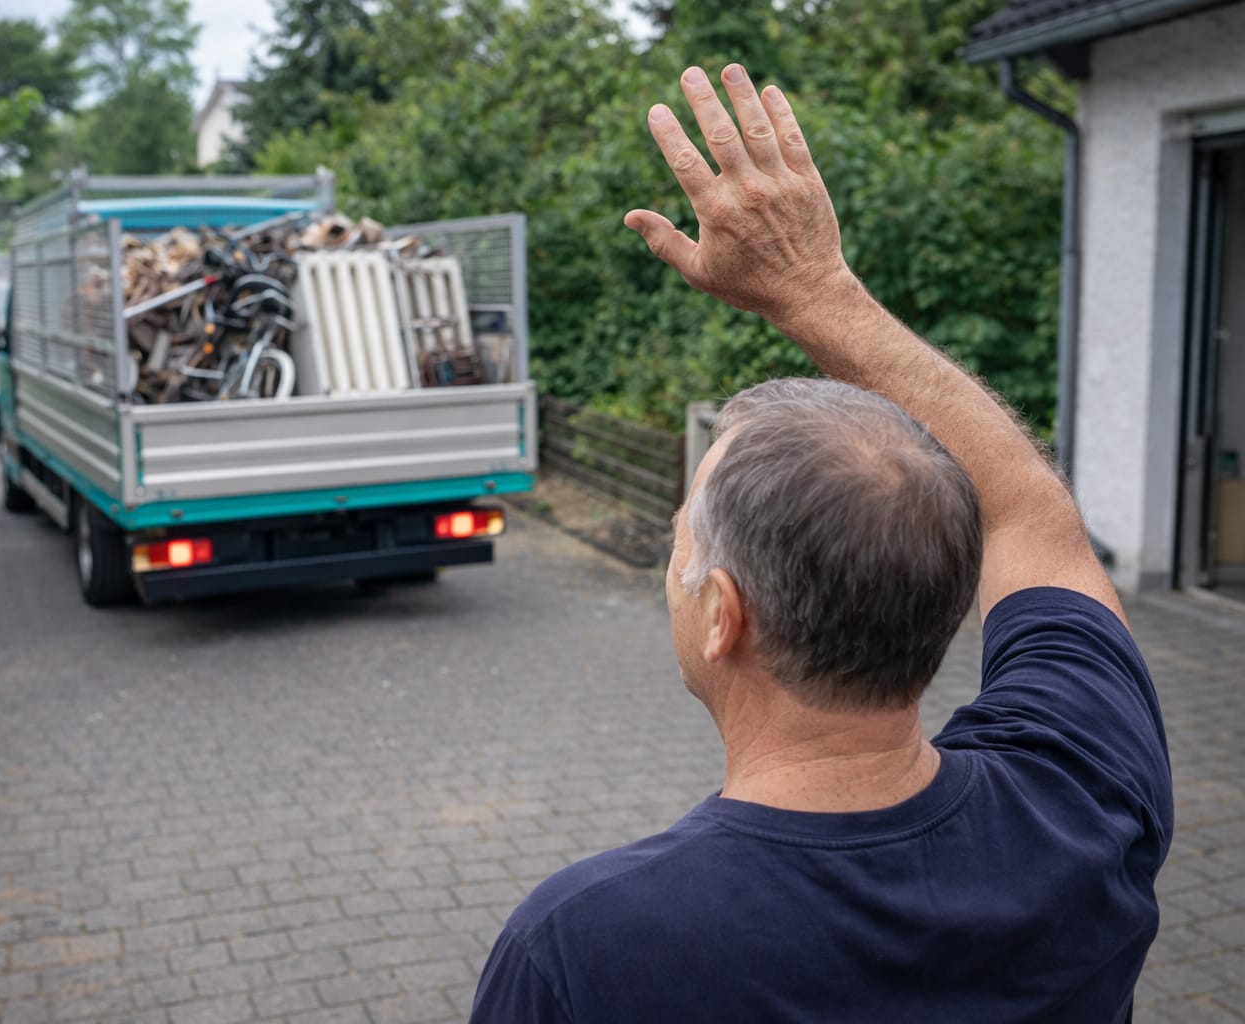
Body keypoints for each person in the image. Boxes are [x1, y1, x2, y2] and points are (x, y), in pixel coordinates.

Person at [470, 64, 1172, 1023]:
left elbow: (1020, 519)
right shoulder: (1082, 797)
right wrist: (817, 292)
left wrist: (809, 292)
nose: (671, 574)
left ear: (723, 613)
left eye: (682, 547)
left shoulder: (589, 950)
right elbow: (1032, 519)